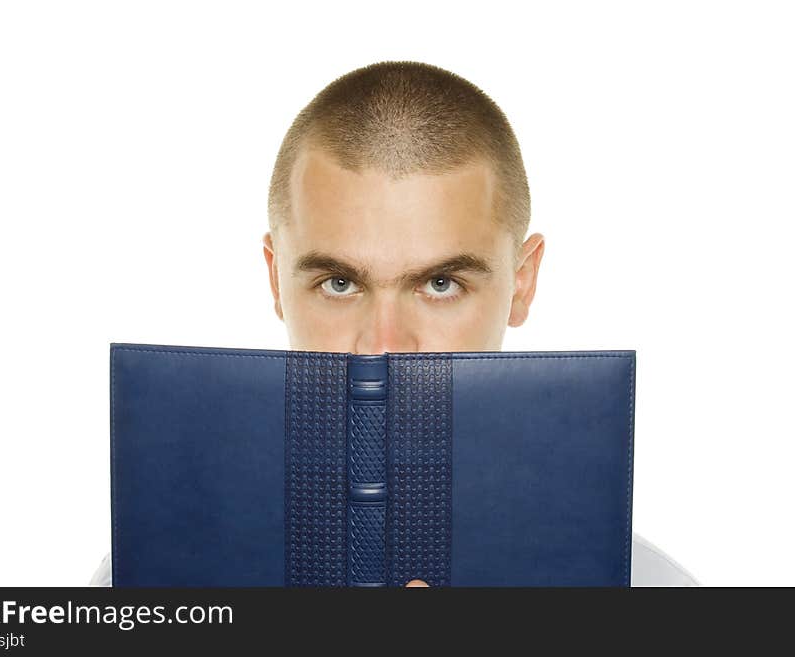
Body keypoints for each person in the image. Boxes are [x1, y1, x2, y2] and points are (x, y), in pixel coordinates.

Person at [90, 60, 700, 587]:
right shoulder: (141, 584)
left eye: (440, 284)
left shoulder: (653, 594)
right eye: (339, 283)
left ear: (522, 281)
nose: (382, 347)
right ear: (277, 281)